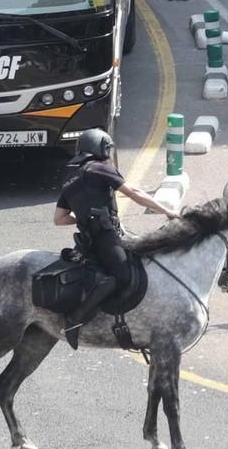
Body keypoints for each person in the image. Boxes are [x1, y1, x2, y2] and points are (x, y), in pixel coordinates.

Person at [52, 129, 177, 348]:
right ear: (101, 148)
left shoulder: (70, 176)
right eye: (108, 149)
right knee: (122, 274)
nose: (109, 153)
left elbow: (59, 219)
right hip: (105, 238)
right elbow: (134, 193)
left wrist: (84, 217)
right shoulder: (101, 168)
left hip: (87, 240)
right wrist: (165, 210)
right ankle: (74, 320)